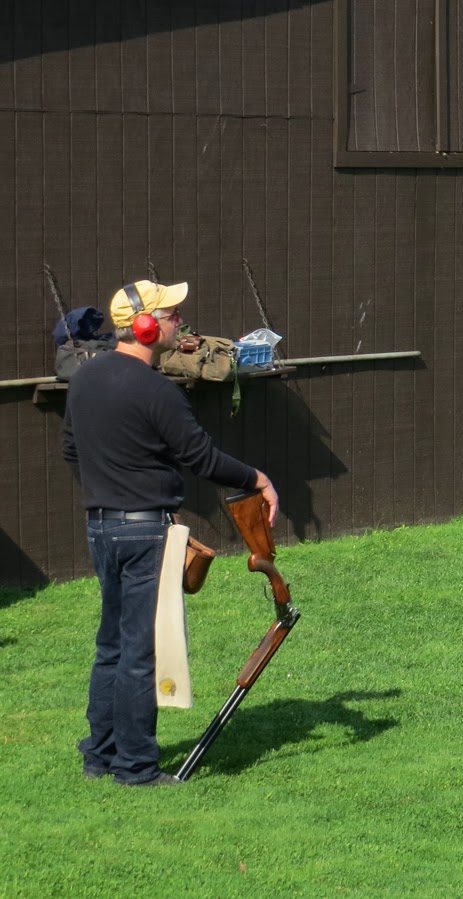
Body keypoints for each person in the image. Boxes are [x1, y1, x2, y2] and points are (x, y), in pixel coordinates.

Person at [61, 280, 279, 787]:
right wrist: (258, 479)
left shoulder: (84, 378)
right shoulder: (157, 390)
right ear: (143, 325)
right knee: (139, 651)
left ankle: (99, 755)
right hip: (143, 535)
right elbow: (201, 457)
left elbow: (71, 451)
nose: (180, 320)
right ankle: (136, 768)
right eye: (172, 314)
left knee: (112, 645)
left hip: (101, 528)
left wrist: (109, 488)